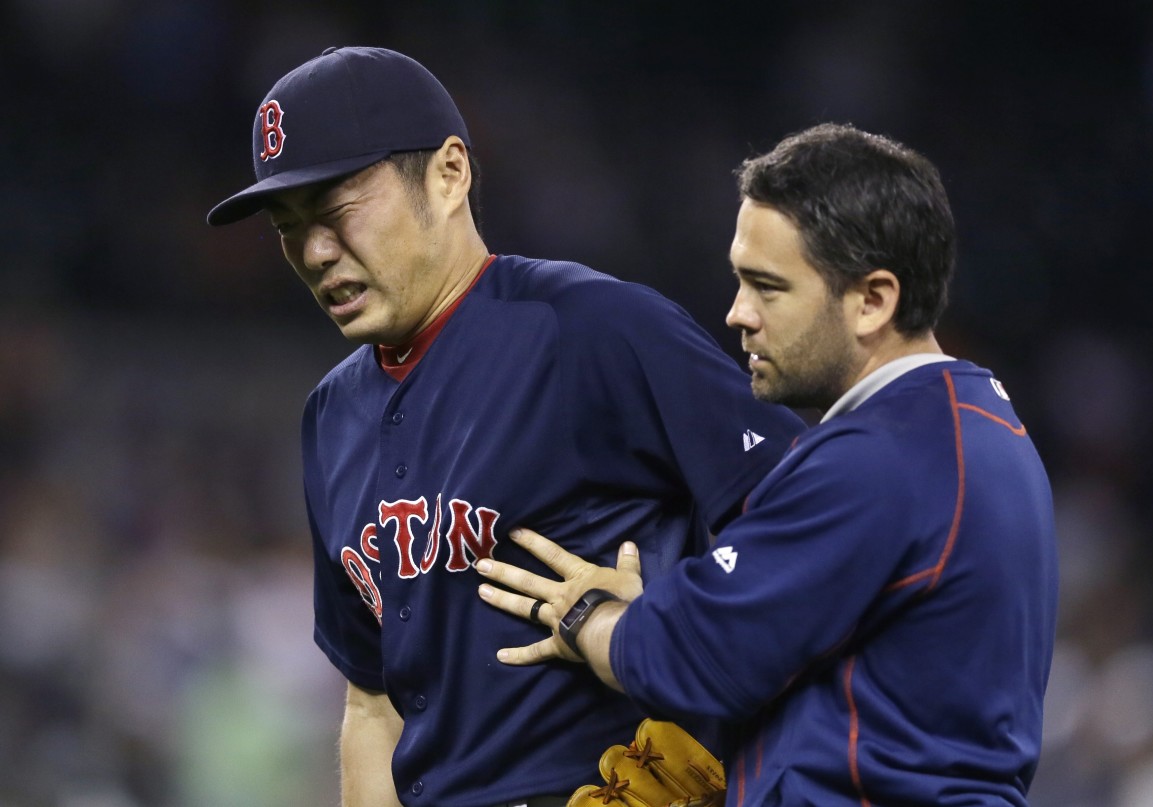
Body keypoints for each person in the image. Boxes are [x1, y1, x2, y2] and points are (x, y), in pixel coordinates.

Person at [206, 46, 805, 807]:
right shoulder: (331, 416)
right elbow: (372, 701)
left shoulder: (592, 329)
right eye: (288, 227)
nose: (316, 252)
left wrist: (670, 625)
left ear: (449, 174)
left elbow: (814, 516)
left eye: (336, 211)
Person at [476, 123, 1059, 806]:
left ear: (873, 300)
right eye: (739, 281)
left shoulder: (882, 457)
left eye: (767, 287)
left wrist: (592, 618)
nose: (738, 314)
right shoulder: (975, 424)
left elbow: (688, 655)